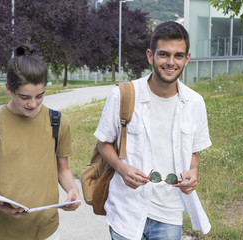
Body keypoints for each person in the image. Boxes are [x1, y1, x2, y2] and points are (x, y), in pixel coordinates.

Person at [94, 21, 212, 240]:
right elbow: (104, 143)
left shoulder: (195, 102)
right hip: (126, 209)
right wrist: (121, 168)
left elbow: (193, 153)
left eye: (178, 56)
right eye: (163, 55)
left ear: (187, 58)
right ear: (150, 56)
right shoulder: (123, 95)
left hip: (169, 212)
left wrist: (193, 172)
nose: (170, 62)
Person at [0, 44, 81, 240]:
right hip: (4, 232)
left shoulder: (58, 123)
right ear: (9, 88)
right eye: (24, 97)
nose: (32, 104)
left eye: (39, 96)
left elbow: (63, 169)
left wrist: (72, 189)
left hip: (47, 230)